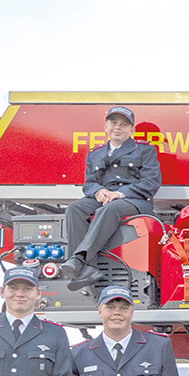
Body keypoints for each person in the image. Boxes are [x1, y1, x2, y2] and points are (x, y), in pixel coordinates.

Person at [64, 106, 162, 292]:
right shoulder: (95, 154)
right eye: (114, 123)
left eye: (124, 124)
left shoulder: (144, 151)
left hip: (135, 201)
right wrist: (98, 191)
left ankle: (79, 260)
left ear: (131, 130)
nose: (118, 127)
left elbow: (151, 183)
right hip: (105, 198)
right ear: (106, 126)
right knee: (75, 208)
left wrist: (119, 193)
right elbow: (89, 183)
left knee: (110, 209)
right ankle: (87, 270)